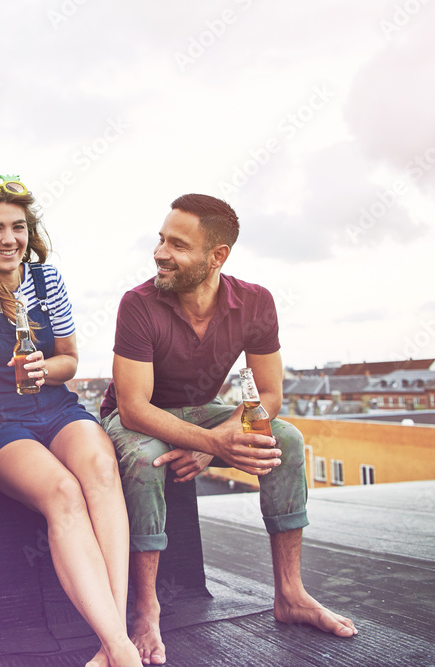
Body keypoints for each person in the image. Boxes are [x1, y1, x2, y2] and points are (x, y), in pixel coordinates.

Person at [99, 193, 358, 665]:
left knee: (286, 439)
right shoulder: (138, 304)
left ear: (217, 255)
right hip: (139, 416)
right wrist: (211, 442)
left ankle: (291, 593)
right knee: (143, 458)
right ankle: (146, 609)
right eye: (161, 239)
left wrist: (208, 446)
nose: (159, 252)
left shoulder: (256, 302)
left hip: (204, 410)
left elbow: (270, 397)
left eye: (177, 244)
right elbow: (134, 409)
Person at [0, 175, 141, 667]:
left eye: (18, 226)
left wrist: (43, 368)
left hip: (56, 408)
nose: (9, 238)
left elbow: (70, 361)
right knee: (63, 493)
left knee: (101, 467)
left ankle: (110, 643)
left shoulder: (48, 280)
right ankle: (122, 647)